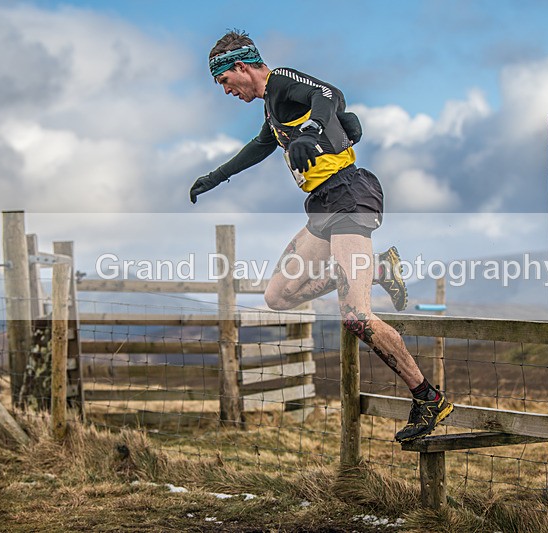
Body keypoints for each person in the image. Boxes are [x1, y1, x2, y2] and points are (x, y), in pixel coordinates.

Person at [190, 30, 453, 442]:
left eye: (224, 81)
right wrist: (215, 177)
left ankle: (428, 398)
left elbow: (330, 93)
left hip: (348, 195)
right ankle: (379, 267)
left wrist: (313, 131)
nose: (225, 91)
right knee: (277, 296)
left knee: (355, 315)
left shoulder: (281, 81)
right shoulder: (272, 110)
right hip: (322, 205)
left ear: (240, 67)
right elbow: (259, 147)